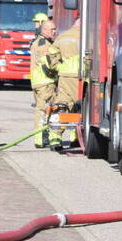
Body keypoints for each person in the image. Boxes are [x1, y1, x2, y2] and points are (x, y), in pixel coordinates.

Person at [45, 18, 80, 151]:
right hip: (80, 77)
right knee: (79, 107)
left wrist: (58, 67)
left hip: (64, 76)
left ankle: (55, 137)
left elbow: (52, 54)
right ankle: (75, 137)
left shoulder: (62, 36)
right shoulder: (87, 36)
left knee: (62, 105)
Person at [28, 16, 56, 149]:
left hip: (40, 82)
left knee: (46, 111)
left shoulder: (42, 41)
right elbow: (48, 64)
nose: (54, 32)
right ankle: (39, 139)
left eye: (55, 29)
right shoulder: (43, 44)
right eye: (52, 29)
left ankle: (43, 136)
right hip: (45, 82)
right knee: (42, 111)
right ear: (44, 30)